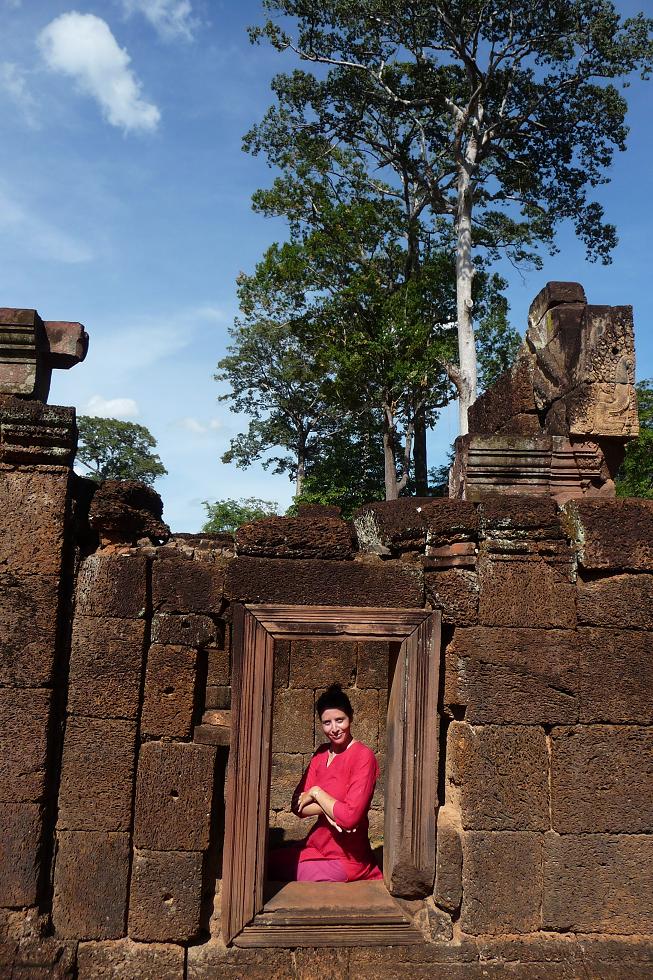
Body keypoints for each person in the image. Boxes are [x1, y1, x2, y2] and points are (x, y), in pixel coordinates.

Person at [268, 683, 383, 883]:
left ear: (351, 717)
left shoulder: (363, 756)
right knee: (263, 862)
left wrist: (316, 793)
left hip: (347, 858)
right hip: (316, 847)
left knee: (272, 872)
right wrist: (333, 809)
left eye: (340, 720)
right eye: (327, 722)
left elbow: (350, 819)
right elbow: (297, 806)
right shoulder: (321, 754)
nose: (334, 729)